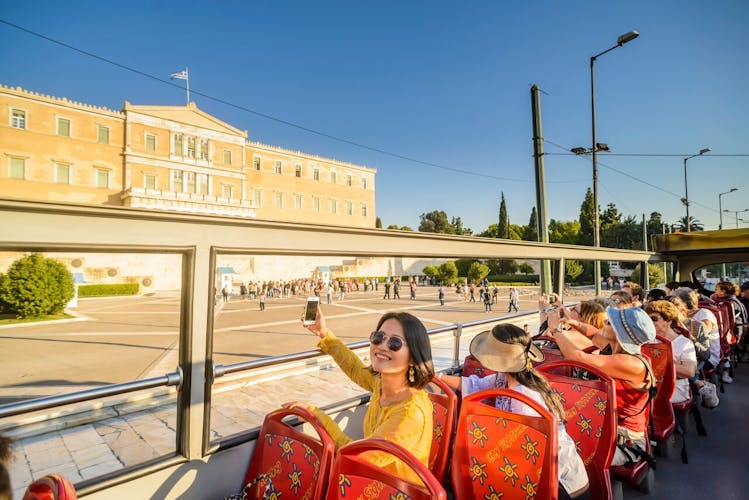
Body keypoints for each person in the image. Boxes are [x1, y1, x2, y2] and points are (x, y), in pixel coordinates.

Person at [284, 307, 435, 485]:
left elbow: (355, 457)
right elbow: (355, 368)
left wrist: (315, 414)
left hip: (396, 492)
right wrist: (323, 333)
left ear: (413, 357)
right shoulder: (382, 384)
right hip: (372, 482)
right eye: (379, 337)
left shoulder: (410, 415)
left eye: (395, 343)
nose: (382, 346)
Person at [440, 324, 589, 500]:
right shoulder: (503, 378)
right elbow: (475, 385)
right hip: (530, 470)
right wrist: (438, 377)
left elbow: (527, 451)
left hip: (558, 482)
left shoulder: (524, 397)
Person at [550, 306, 656, 467]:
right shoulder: (615, 348)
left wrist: (555, 329)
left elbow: (577, 357)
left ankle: (575, 491)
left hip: (623, 440)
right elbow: (593, 334)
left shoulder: (632, 363)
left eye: (610, 323)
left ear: (621, 334)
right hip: (604, 429)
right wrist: (576, 324)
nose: (605, 322)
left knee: (559, 455)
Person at [645, 300, 697, 403]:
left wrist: (657, 362)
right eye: (648, 319)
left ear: (668, 320)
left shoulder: (684, 343)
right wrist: (673, 364)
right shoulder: (646, 339)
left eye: (654, 319)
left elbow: (689, 371)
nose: (650, 323)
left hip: (675, 388)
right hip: (650, 386)